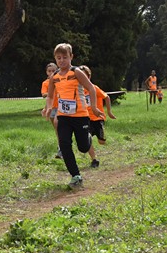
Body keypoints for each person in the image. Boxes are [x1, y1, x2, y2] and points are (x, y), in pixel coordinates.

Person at [42, 43, 103, 188]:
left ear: (71, 57)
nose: (61, 61)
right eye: (58, 58)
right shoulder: (55, 77)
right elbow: (50, 96)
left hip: (80, 115)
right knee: (64, 145)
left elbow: (91, 89)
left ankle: (87, 137)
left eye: (65, 57)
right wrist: (48, 107)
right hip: (63, 116)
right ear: (55, 59)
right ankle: (76, 175)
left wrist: (93, 107)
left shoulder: (76, 72)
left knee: (83, 147)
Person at [80, 65, 116, 168]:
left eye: (84, 76)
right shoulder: (78, 90)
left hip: (98, 118)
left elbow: (107, 97)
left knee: (101, 142)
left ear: (89, 77)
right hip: (85, 118)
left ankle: (101, 135)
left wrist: (109, 112)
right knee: (87, 139)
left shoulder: (94, 88)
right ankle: (94, 160)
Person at [41, 62, 62, 159]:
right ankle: (61, 147)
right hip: (51, 108)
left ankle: (62, 149)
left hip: (61, 107)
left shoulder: (60, 80)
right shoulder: (45, 83)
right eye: (49, 71)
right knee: (57, 130)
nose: (51, 72)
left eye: (53, 71)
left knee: (59, 126)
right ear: (46, 72)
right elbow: (44, 94)